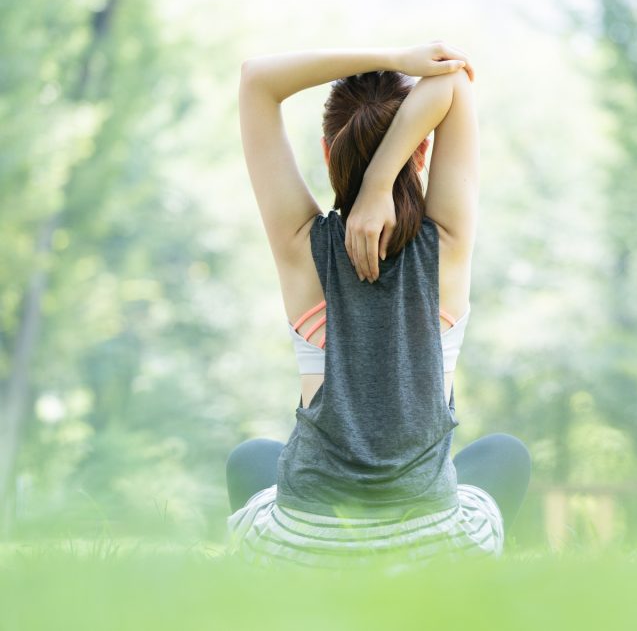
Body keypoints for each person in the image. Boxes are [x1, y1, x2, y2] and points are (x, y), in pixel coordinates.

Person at [225, 41, 531, 569]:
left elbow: (257, 79)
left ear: (326, 153)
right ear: (424, 151)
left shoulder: (301, 244)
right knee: (505, 453)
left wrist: (395, 56)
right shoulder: (449, 244)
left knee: (251, 458)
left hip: (301, 549)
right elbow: (454, 82)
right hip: (435, 547)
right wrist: (381, 179)